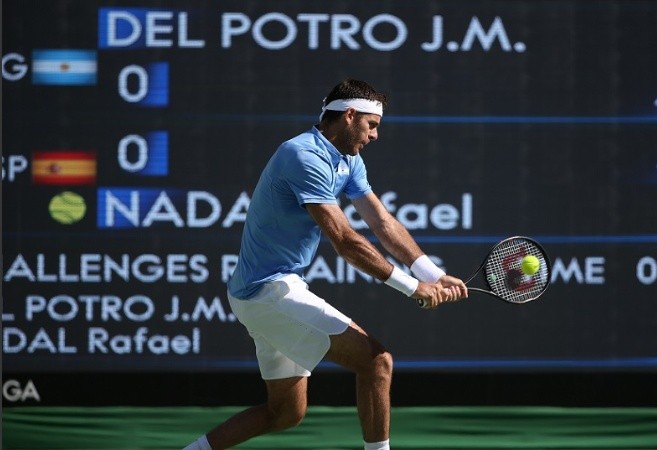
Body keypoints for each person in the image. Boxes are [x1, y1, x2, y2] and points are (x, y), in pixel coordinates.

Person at [184, 79, 468, 450]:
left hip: (264, 293)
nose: (376, 135)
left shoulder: (348, 159)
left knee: (284, 413)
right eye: (372, 125)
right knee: (377, 362)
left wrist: (431, 274)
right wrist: (413, 288)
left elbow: (381, 221)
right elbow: (346, 241)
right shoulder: (302, 155)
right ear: (349, 116)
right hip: (269, 290)